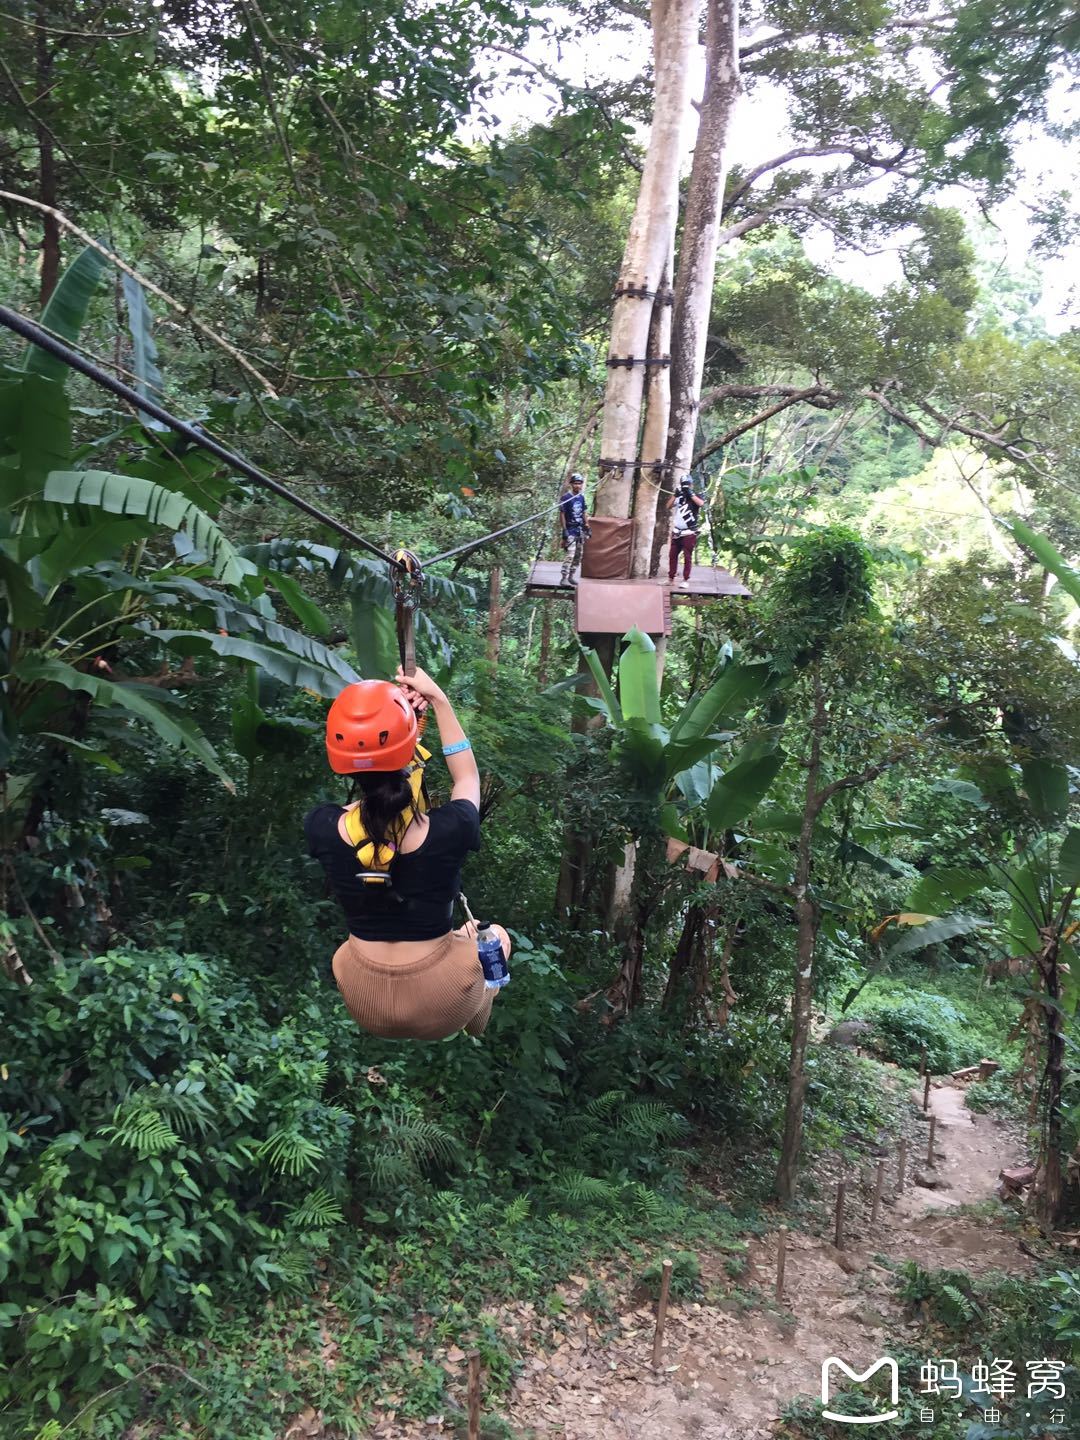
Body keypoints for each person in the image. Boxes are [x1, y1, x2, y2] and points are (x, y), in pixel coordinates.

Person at [304, 665, 510, 1041]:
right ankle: (479, 1012)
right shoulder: (452, 829)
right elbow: (467, 778)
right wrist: (440, 702)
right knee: (491, 935)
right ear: (408, 757)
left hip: (365, 999)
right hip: (442, 1004)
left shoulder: (320, 826)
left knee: (347, 951)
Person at [667, 476, 705, 588]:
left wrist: (690, 493)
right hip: (677, 532)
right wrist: (675, 494)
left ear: (691, 485)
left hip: (689, 532)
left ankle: (685, 580)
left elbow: (701, 503)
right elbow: (668, 506)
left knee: (687, 556)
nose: (685, 486)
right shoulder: (680, 497)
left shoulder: (695, 496)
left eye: (687, 484)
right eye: (684, 484)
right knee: (672, 555)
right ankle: (670, 578)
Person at [559, 471, 591, 585]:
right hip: (570, 529)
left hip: (579, 530)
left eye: (579, 483)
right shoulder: (566, 498)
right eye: (575, 483)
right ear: (571, 484)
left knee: (578, 555)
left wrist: (587, 525)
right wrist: (564, 531)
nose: (578, 485)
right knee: (570, 554)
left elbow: (583, 512)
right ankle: (564, 577)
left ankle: (571, 576)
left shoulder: (581, 497)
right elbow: (562, 514)